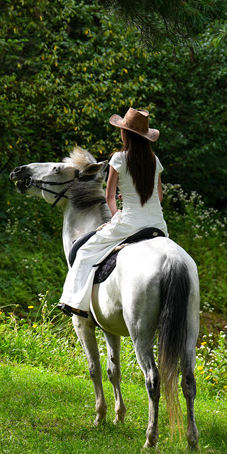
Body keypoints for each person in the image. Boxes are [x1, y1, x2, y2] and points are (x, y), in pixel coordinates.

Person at [58, 107, 168, 317]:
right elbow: (159, 197)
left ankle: (74, 302)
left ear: (126, 133)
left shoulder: (119, 158)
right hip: (158, 225)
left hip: (130, 224)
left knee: (85, 251)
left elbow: (109, 197)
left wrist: (116, 216)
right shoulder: (155, 160)